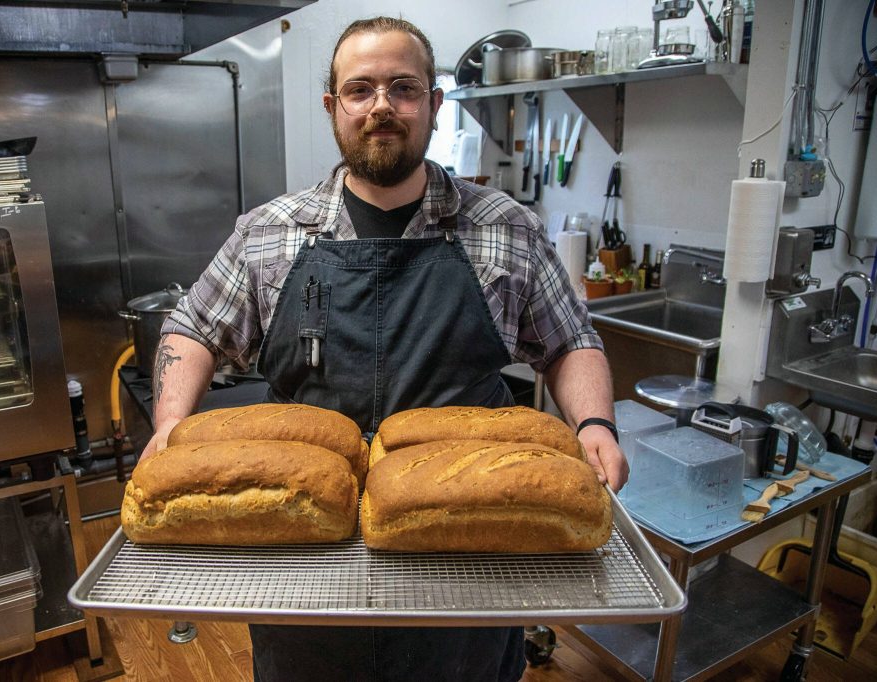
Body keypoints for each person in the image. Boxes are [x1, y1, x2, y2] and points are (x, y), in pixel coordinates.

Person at [144, 15, 628, 682]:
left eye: (403, 88)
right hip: (307, 540)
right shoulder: (270, 232)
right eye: (360, 89)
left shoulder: (506, 228)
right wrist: (171, 424)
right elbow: (192, 328)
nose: (382, 107)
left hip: (468, 535)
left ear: (434, 103)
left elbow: (571, 339)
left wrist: (595, 422)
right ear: (333, 108)